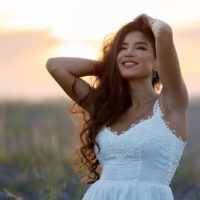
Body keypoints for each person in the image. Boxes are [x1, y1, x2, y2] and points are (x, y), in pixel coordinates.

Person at [46, 13, 189, 200]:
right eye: (122, 49)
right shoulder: (107, 108)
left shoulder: (171, 104)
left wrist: (150, 21)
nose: (129, 52)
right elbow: (55, 66)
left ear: (156, 62)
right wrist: (111, 66)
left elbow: (163, 32)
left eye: (140, 48)